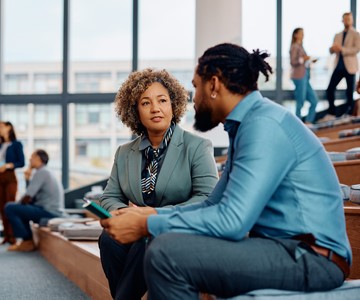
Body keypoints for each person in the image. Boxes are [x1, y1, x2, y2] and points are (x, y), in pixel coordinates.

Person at [101, 43, 351, 299]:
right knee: (161, 243)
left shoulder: (262, 125)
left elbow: (232, 221)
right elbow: (213, 204)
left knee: (165, 252)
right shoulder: (248, 125)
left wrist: (149, 222)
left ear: (214, 85)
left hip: (312, 257)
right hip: (282, 249)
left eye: (196, 87)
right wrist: (151, 215)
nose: (193, 99)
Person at [99, 68, 218, 299]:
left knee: (148, 236)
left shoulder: (197, 146)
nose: (155, 108)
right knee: (109, 238)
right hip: (141, 231)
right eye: (145, 103)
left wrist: (154, 216)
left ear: (173, 105)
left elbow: (207, 198)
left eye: (162, 100)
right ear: (135, 111)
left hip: (180, 228)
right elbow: (109, 197)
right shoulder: (124, 153)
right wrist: (124, 214)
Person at [5, 149, 64, 252]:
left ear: (38, 159)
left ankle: (27, 241)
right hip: (49, 210)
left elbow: (28, 197)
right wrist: (27, 179)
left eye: (32, 157)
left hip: (49, 212)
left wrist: (17, 205)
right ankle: (26, 240)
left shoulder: (41, 172)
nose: (30, 160)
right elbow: (31, 196)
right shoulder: (46, 171)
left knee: (10, 207)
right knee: (19, 208)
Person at [325, 12, 360, 119]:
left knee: (350, 92)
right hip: (338, 66)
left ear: (352, 20)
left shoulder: (356, 34)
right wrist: (332, 49)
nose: (347, 21)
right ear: (342, 20)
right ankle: (332, 112)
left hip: (350, 67)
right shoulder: (338, 35)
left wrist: (342, 49)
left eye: (349, 19)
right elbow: (331, 50)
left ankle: (350, 114)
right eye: (345, 19)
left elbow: (356, 49)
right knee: (330, 89)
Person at [0, 121, 25, 245]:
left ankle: (13, 235)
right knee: (1, 206)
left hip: (10, 176)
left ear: (9, 128)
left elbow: (21, 162)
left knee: (9, 205)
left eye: (1, 126)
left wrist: (7, 165)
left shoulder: (17, 144)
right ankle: (6, 235)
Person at [289, 28, 318, 124]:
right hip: (299, 77)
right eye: (301, 33)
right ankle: (297, 124)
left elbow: (303, 61)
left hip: (305, 76)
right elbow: (293, 61)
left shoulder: (301, 46)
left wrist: (309, 60)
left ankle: (308, 122)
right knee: (300, 102)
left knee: (314, 100)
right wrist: (303, 58)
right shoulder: (294, 47)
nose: (303, 35)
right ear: (296, 35)